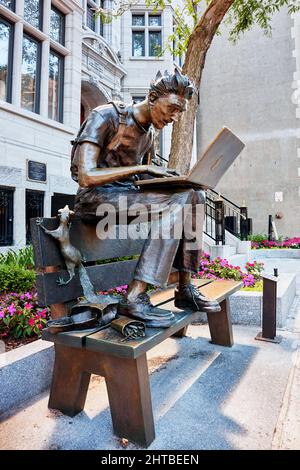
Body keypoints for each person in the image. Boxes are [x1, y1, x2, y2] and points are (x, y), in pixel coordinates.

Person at [71, 69, 220, 327]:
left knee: (195, 194)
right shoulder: (105, 116)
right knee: (178, 201)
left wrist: (169, 181)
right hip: (93, 200)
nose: (174, 117)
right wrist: (142, 168)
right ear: (152, 97)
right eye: (171, 109)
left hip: (124, 198)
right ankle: (135, 297)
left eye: (179, 113)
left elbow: (139, 184)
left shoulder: (149, 134)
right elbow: (85, 175)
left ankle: (185, 288)